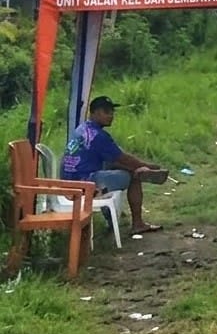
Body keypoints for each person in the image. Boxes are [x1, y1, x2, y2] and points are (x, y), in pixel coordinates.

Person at [60, 95, 166, 235]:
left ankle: (112, 220)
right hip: (85, 184)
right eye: (106, 112)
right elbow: (122, 158)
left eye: (112, 112)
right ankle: (138, 224)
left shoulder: (83, 128)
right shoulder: (98, 136)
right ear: (95, 113)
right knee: (135, 175)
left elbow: (115, 159)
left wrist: (137, 165)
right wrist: (144, 166)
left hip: (69, 181)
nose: (111, 116)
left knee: (118, 166)